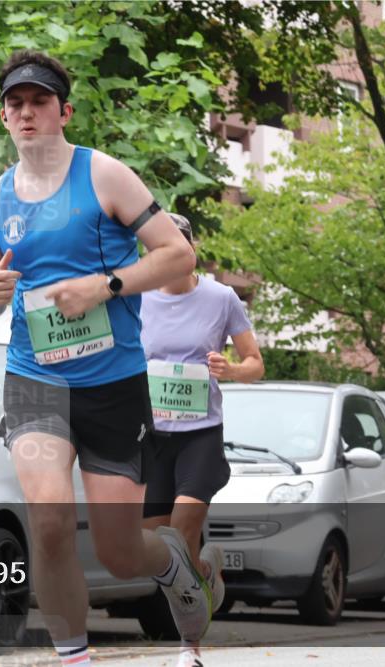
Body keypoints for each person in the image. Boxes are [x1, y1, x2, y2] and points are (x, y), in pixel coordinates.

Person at [0, 49, 211, 667]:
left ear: (63, 111)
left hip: (112, 383)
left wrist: (104, 287)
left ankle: (174, 560)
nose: (26, 113)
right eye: (15, 104)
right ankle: (72, 655)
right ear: (4, 118)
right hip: (33, 379)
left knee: (120, 552)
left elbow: (177, 257)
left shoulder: (104, 175)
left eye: (39, 102)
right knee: (48, 518)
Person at [139, 213, 265, 667]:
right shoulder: (137, 299)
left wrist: (231, 370)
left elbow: (256, 362)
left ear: (190, 251)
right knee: (156, 544)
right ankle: (206, 574)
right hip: (152, 435)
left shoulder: (220, 297)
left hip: (200, 434)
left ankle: (188, 647)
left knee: (181, 528)